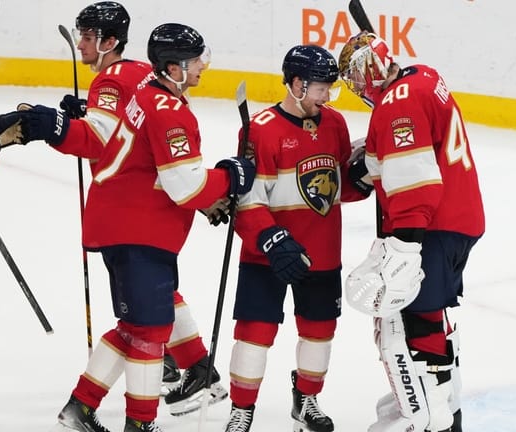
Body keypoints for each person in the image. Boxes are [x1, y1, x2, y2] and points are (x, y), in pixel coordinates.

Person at [0, 22, 254, 432]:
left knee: (137, 326)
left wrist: (206, 195)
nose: (201, 69)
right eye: (195, 63)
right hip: (141, 229)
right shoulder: (168, 109)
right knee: (150, 331)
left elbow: (144, 161)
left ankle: (82, 407)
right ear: (173, 68)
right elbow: (183, 183)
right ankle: (139, 423)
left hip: (121, 224)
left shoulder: (146, 97)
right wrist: (230, 177)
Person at [59, 1, 228, 412]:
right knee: (148, 322)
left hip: (128, 214)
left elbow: (116, 141)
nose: (82, 44)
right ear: (173, 68)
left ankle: (190, 368)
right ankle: (144, 404)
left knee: (152, 313)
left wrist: (63, 128)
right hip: (137, 218)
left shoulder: (123, 82)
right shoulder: (141, 79)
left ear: (109, 41)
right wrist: (223, 181)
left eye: (88, 36)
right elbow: (159, 158)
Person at [338, 31, 484, 432]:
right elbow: (412, 149)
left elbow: (414, 177)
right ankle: (446, 410)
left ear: (368, 71)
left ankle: (431, 420)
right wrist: (371, 156)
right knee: (432, 316)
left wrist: (404, 244)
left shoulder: (396, 102)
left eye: (355, 78)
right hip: (459, 218)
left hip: (432, 225)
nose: (356, 89)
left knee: (412, 321)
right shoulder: (423, 77)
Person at [220, 45, 371, 432]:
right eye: (322, 88)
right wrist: (270, 239)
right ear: (298, 84)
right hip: (266, 256)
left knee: (319, 333)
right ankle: (242, 411)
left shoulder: (335, 124)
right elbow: (247, 200)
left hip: (322, 254)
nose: (327, 97)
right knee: (254, 336)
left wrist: (361, 179)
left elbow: (332, 188)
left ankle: (306, 400)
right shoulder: (261, 129)